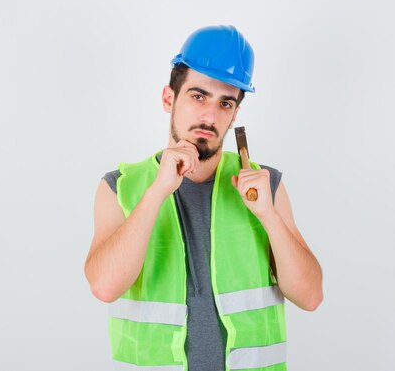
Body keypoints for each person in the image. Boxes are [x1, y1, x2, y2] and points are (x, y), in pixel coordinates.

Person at [85, 25, 323, 371]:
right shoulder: (121, 186)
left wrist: (268, 216)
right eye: (198, 96)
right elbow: (104, 287)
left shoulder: (264, 186)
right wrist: (158, 191)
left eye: (225, 103)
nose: (210, 116)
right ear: (170, 99)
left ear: (235, 114)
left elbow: (311, 296)